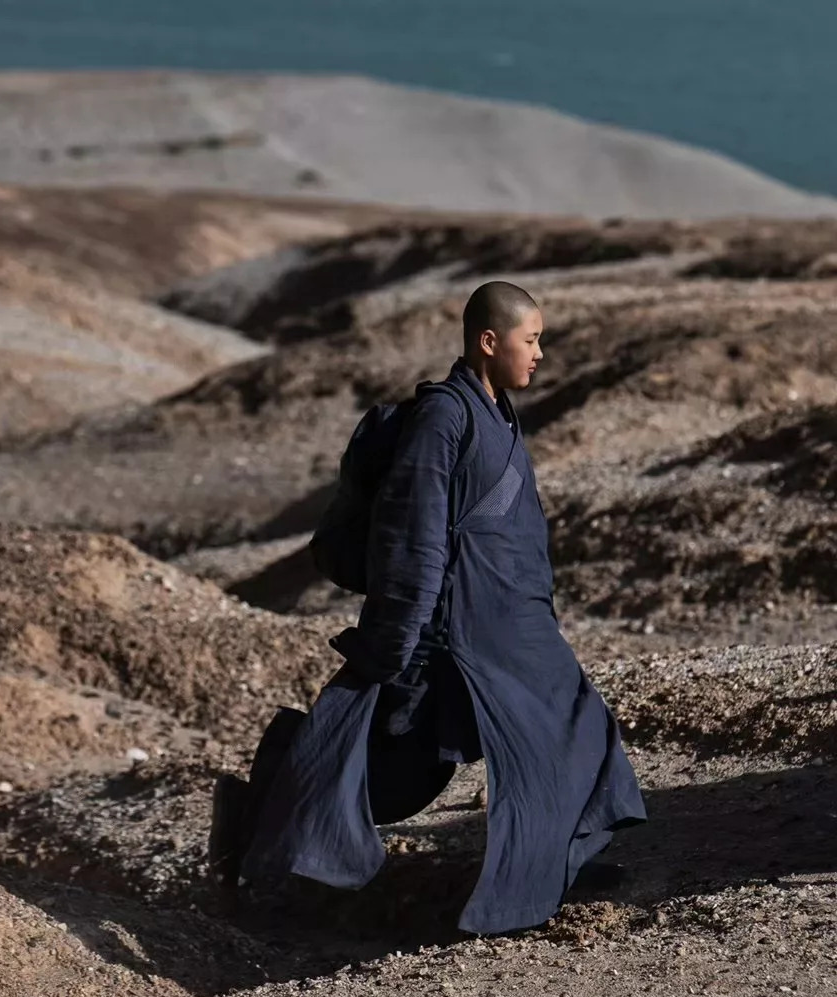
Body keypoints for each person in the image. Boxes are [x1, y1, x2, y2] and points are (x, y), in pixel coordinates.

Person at [208, 281, 647, 936]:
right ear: (489, 341)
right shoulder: (445, 419)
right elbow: (413, 537)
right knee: (399, 774)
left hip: (509, 628)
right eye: (532, 341)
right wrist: (394, 640)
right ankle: (258, 805)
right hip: (448, 630)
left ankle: (551, 867)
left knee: (572, 726)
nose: (542, 355)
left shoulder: (497, 414)